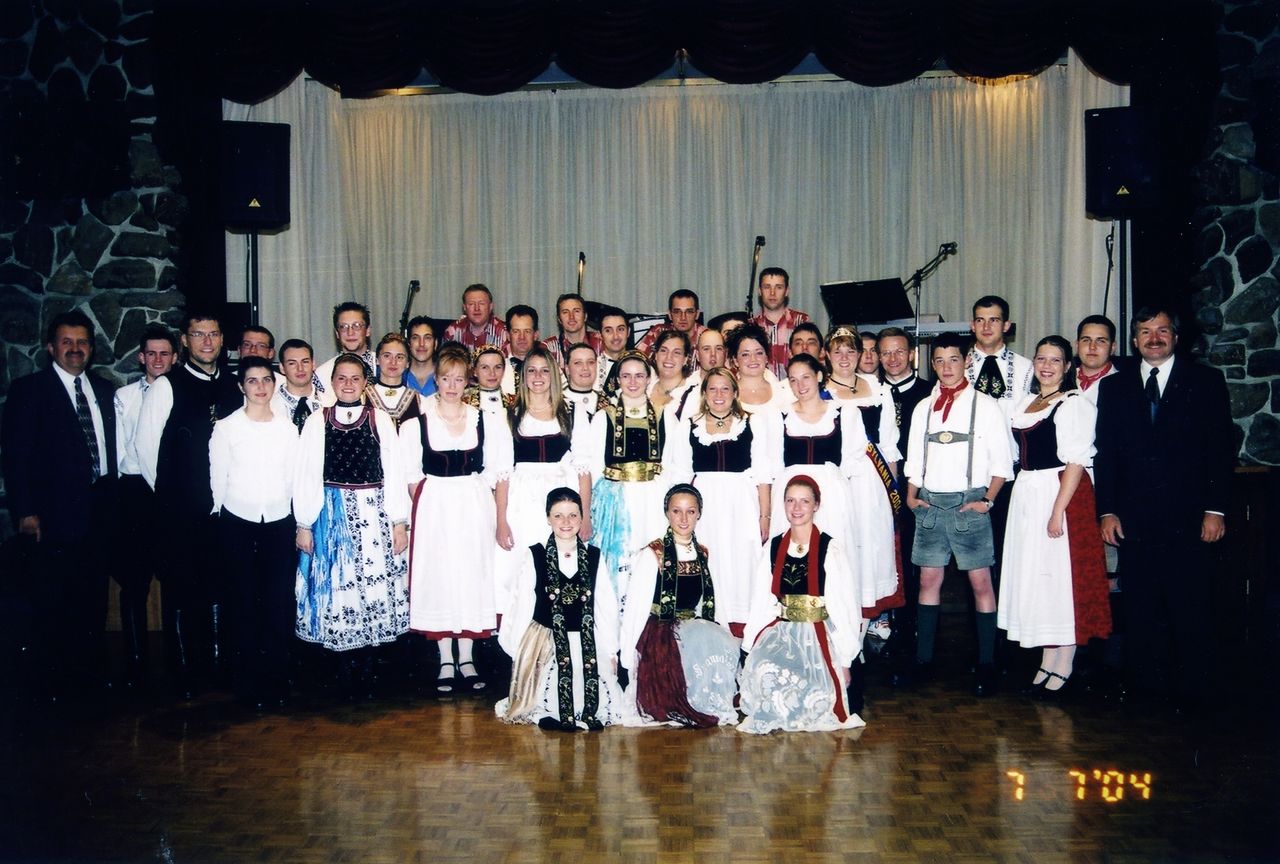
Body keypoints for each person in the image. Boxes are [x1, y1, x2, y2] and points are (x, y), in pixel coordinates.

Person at [1094, 307, 1234, 712]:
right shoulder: (1114, 387)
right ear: (1134, 340)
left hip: (1190, 517)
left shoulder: (1205, 381)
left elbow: (1220, 450)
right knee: (1141, 604)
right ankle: (1146, 689)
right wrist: (1107, 511)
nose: (1153, 338)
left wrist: (1216, 509)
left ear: (1175, 336)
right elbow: (1107, 454)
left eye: (1161, 330)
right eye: (1145, 331)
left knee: (1189, 604)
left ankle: (1192, 691)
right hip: (1134, 519)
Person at [2, 310, 118, 699]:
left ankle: (89, 677)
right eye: (66, 342)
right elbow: (16, 458)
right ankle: (54, 683)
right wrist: (25, 511)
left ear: (92, 349)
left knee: (93, 598)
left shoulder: (104, 390)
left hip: (99, 512)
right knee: (54, 600)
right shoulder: (29, 390)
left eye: (82, 342)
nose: (75, 349)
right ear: (51, 348)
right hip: (52, 516)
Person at [135, 309, 243, 698]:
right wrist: (176, 496)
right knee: (182, 591)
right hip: (180, 513)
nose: (207, 342)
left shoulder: (234, 386)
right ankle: (184, 675)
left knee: (219, 589)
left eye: (213, 334)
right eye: (198, 334)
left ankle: (216, 669)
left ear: (222, 340)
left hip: (224, 513)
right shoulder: (167, 386)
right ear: (185, 340)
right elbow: (147, 451)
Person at [901, 332, 1014, 696]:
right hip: (930, 505)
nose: (946, 367)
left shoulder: (986, 406)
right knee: (928, 582)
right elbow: (914, 461)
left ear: (967, 360)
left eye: (953, 359)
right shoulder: (924, 407)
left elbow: (1002, 463)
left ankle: (987, 663)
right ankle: (923, 661)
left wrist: (987, 501)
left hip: (970, 504)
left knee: (981, 583)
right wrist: (911, 497)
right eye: (939, 360)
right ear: (931, 364)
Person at [998, 336, 1111, 698]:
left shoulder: (1073, 403)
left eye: (1055, 360)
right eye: (1041, 359)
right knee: (1039, 579)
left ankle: (1065, 663)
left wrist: (1057, 511)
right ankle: (1048, 660)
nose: (1046, 366)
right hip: (1028, 492)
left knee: (1060, 579)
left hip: (1058, 492)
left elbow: (1076, 462)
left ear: (1067, 367)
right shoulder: (1028, 402)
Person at [294, 353, 410, 699]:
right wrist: (304, 523)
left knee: (372, 587)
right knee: (337, 587)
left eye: (355, 378)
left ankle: (370, 667)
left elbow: (394, 470)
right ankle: (343, 667)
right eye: (341, 378)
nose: (348, 384)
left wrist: (398, 521)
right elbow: (306, 473)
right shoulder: (317, 421)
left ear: (365, 383)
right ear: (332, 383)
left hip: (373, 515)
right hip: (332, 514)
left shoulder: (380, 420)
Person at [402, 345, 514, 694]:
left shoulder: (485, 420)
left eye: (459, 379)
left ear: (468, 382)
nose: (452, 386)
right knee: (441, 578)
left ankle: (467, 658)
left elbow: (498, 472)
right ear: (436, 380)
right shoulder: (417, 423)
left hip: (474, 506)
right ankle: (445, 659)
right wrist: (433, 507)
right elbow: (410, 476)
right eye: (446, 378)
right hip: (435, 509)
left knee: (470, 576)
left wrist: (493, 516)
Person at [739, 476, 865, 733]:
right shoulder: (774, 547)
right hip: (783, 631)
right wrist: (750, 647)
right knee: (764, 674)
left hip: (820, 633)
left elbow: (843, 607)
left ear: (816, 505)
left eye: (804, 501)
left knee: (821, 694)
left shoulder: (830, 548)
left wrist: (845, 660)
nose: (796, 508)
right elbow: (762, 599)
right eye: (790, 501)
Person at [496, 488, 628, 731]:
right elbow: (522, 602)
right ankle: (546, 711)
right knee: (548, 687)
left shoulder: (593, 556)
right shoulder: (535, 555)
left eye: (572, 515)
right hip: (547, 640)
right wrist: (520, 650)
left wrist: (611, 650)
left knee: (589, 684)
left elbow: (605, 605)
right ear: (548, 518)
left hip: (586, 638)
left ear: (582, 518)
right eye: (558, 516)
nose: (566, 522)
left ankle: (585, 711)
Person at [209, 356, 299, 709]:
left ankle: (277, 680)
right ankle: (247, 683)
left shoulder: (287, 428)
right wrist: (221, 520)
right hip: (238, 522)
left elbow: (292, 477)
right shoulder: (227, 428)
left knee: (277, 602)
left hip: (278, 521)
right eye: (252, 381)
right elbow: (218, 479)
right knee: (243, 603)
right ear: (241, 386)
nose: (260, 387)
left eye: (266, 380)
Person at [662, 368, 774, 636]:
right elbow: (679, 475)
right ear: (704, 393)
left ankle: (743, 631)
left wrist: (765, 516)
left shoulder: (752, 423)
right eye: (712, 388)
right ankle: (711, 629)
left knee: (742, 562)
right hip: (705, 506)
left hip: (742, 504)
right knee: (711, 560)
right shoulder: (689, 426)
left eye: (725, 388)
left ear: (735, 392)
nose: (719, 394)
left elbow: (763, 474)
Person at [620, 484, 740, 727]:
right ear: (667, 513)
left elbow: (714, 600)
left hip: (693, 629)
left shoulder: (703, 554)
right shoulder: (654, 554)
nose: (684, 518)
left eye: (690, 511)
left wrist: (724, 637)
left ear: (699, 514)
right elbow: (636, 608)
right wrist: (628, 658)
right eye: (677, 511)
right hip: (660, 633)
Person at [494, 346, 592, 617]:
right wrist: (501, 521)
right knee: (523, 565)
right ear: (523, 376)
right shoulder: (510, 414)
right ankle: (523, 631)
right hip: (522, 502)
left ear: (554, 375)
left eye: (545, 371)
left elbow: (584, 470)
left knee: (561, 563)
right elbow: (502, 474)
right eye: (532, 371)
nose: (538, 377)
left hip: (561, 498)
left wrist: (585, 515)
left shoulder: (571, 412)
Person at [823, 327, 902, 630]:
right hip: (837, 478)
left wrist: (893, 491)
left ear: (860, 354)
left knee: (872, 543)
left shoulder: (877, 388)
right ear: (827, 355)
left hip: (873, 480)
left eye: (851, 351)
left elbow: (889, 445)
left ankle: (870, 617)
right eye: (838, 351)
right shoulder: (820, 390)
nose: (844, 358)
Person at [112, 323, 178, 689]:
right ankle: (136, 662)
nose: (157, 359)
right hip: (135, 493)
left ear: (174, 358)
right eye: (151, 353)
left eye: (164, 353)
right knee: (134, 580)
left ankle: (176, 663)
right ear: (141, 357)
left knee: (173, 577)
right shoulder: (124, 396)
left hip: (169, 493)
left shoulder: (180, 392)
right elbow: (123, 449)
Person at [586, 351, 672, 599]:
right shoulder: (604, 417)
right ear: (617, 380)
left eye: (639, 376)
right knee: (621, 555)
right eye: (626, 376)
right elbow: (594, 465)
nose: (633, 382)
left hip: (653, 497)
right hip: (616, 498)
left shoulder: (664, 415)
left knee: (651, 552)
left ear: (648, 379)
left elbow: (672, 464)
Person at [770, 353, 868, 560]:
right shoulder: (779, 416)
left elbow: (853, 460)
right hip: (792, 494)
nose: (800, 385)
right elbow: (774, 464)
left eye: (806, 377)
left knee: (832, 555)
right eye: (793, 380)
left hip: (831, 495)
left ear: (819, 376)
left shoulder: (845, 413)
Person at [877, 327, 932, 665]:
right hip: (877, 491)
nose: (893, 358)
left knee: (914, 563)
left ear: (912, 354)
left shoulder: (929, 393)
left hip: (917, 491)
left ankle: (912, 634)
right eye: (885, 352)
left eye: (899, 351)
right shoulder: (869, 391)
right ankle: (888, 628)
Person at [749, 266, 811, 379]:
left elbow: (814, 362)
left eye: (779, 287)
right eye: (767, 287)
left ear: (787, 291)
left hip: (796, 387)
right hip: (762, 388)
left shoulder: (801, 322)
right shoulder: (751, 326)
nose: (772, 293)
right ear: (759, 291)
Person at [314, 301, 376, 406]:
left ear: (368, 330)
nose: (350, 333)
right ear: (337, 333)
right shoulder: (322, 374)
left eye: (357, 326)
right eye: (343, 327)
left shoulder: (384, 365)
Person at [730, 324, 791, 412]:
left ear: (766, 357)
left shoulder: (784, 392)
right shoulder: (727, 395)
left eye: (759, 353)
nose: (753, 359)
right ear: (735, 360)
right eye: (745, 354)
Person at [365, 332, 421, 429]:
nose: (393, 362)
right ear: (377, 360)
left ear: (408, 363)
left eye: (399, 357)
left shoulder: (420, 401)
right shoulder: (362, 398)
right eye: (387, 356)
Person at [635, 289, 704, 362]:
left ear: (697, 314)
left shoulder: (707, 337)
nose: (683, 317)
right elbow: (637, 360)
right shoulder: (658, 332)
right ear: (670, 314)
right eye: (677, 312)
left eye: (689, 312)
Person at [272, 338, 324, 434]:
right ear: (282, 368)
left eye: (305, 362)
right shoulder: (270, 407)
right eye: (292, 363)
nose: (300, 368)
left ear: (313, 364)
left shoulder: (328, 403)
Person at [544, 293, 603, 369]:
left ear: (585, 316)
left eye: (576, 311)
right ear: (559, 319)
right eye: (565, 312)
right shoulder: (548, 348)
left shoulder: (601, 342)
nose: (571, 317)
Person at [444, 283, 508, 350]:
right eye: (471, 304)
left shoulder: (504, 333)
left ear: (491, 306)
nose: (477, 308)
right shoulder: (453, 331)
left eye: (481, 303)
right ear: (464, 307)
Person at [647, 329, 695, 415]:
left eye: (676, 353)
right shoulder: (645, 388)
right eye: (664, 351)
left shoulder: (693, 395)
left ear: (685, 359)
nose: (669, 357)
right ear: (656, 355)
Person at [501, 304, 539, 395]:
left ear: (536, 335)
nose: (522, 337)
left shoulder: (550, 368)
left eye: (527, 331)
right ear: (507, 335)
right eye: (516, 331)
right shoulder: (497, 370)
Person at [469, 344, 515, 415]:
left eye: (497, 367)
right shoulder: (464, 403)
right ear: (475, 371)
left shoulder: (514, 403)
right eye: (485, 367)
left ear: (503, 370)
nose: (492, 373)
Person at [564, 342, 602, 419]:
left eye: (591, 362)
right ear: (567, 369)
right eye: (578, 363)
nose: (585, 368)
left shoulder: (606, 403)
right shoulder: (556, 403)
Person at [595, 306, 630, 391]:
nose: (615, 336)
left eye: (620, 329)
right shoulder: (591, 369)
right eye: (608, 330)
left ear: (628, 332)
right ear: (600, 335)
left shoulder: (642, 366)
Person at [404, 316, 438, 397]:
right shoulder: (400, 378)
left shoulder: (446, 377)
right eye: (415, 338)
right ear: (409, 344)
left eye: (427, 338)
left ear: (435, 344)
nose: (421, 344)